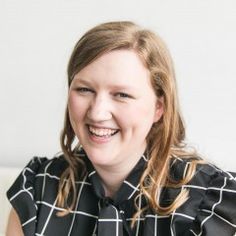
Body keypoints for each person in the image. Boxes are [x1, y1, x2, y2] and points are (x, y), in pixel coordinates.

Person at [6, 21, 236, 236]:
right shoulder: (37, 189)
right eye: (85, 89)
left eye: (122, 95)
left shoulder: (210, 203)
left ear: (159, 107)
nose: (97, 112)